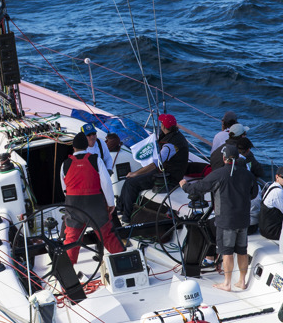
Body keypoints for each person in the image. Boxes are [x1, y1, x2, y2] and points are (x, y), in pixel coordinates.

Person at [179, 144, 255, 291]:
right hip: (244, 220)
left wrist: (184, 186)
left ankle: (226, 283)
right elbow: (253, 193)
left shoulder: (219, 174)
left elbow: (199, 187)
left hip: (226, 221)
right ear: (238, 158)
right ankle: (242, 281)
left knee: (226, 252)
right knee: (242, 251)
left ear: (224, 158)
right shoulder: (248, 174)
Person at [61, 132, 125, 264]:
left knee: (71, 239)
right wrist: (110, 203)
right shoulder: (96, 160)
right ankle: (124, 261)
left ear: (73, 147)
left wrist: (71, 204)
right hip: (95, 204)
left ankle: (66, 275)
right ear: (86, 146)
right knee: (107, 235)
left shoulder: (65, 164)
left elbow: (64, 189)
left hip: (73, 205)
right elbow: (106, 183)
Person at [118, 113, 189, 222]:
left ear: (164, 127)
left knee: (131, 183)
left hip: (169, 177)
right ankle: (120, 208)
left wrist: (135, 173)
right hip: (166, 171)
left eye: (161, 124)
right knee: (130, 180)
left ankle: (126, 217)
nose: (160, 126)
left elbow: (155, 164)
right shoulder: (175, 136)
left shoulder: (170, 145)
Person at [258, 167, 283, 240]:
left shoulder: (272, 187)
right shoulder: (278, 192)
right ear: (277, 177)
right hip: (272, 232)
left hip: (264, 229)